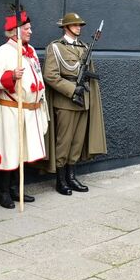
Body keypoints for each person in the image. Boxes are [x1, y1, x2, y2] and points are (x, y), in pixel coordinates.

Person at [0, 10, 49, 203]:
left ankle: (16, 188)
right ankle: (3, 192)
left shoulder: (29, 52)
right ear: (15, 31)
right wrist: (11, 76)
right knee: (9, 149)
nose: (31, 31)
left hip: (30, 110)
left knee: (22, 149)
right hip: (12, 109)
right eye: (27, 28)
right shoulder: (3, 52)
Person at [43, 13, 107, 193]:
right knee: (64, 142)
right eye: (75, 25)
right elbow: (50, 75)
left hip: (82, 101)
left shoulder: (84, 47)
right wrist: (72, 89)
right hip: (65, 102)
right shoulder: (55, 48)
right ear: (66, 27)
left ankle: (72, 176)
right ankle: (60, 179)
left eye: (80, 25)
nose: (79, 27)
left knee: (77, 142)